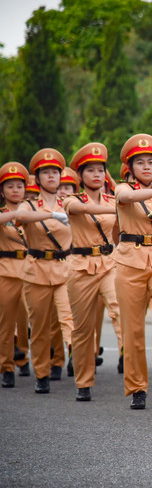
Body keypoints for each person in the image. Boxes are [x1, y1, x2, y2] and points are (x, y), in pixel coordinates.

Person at [114, 134, 152, 410]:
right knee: (133, 328)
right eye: (140, 162)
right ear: (131, 167)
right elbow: (128, 197)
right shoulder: (122, 189)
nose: (147, 166)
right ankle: (137, 387)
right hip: (129, 262)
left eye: (151, 161)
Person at [62, 143, 119, 402]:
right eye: (91, 170)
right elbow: (83, 211)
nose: (97, 175)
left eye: (101, 170)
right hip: (80, 266)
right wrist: (119, 207)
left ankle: (129, 363)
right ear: (81, 175)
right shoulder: (72, 199)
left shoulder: (112, 198)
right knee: (83, 328)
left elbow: (120, 230)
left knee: (120, 309)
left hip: (108, 263)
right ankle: (83, 382)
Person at [15, 149, 72, 394]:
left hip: (64, 268)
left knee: (68, 319)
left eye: (55, 172)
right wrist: (53, 215)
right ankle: (42, 373)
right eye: (45, 173)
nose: (51, 177)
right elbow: (20, 216)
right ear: (36, 179)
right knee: (39, 328)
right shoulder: (28, 204)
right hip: (36, 269)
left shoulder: (70, 202)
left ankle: (74, 359)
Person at [0, 162, 30, 388]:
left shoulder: (31, 212)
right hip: (7, 270)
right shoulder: (3, 214)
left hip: (30, 268)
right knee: (6, 322)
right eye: (10, 186)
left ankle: (25, 356)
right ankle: (6, 366)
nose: (15, 190)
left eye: (19, 186)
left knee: (29, 319)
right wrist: (14, 213)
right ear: (2, 191)